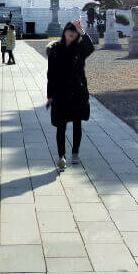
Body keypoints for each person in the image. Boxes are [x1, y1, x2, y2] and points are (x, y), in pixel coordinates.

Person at [45, 21, 94, 170]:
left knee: (77, 124)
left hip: (77, 92)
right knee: (61, 126)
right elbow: (51, 74)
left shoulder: (80, 48)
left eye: (75, 30)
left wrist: (83, 32)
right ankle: (61, 156)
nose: (72, 32)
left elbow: (90, 48)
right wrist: (50, 95)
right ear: (64, 31)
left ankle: (75, 153)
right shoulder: (55, 48)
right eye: (70, 29)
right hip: (60, 93)